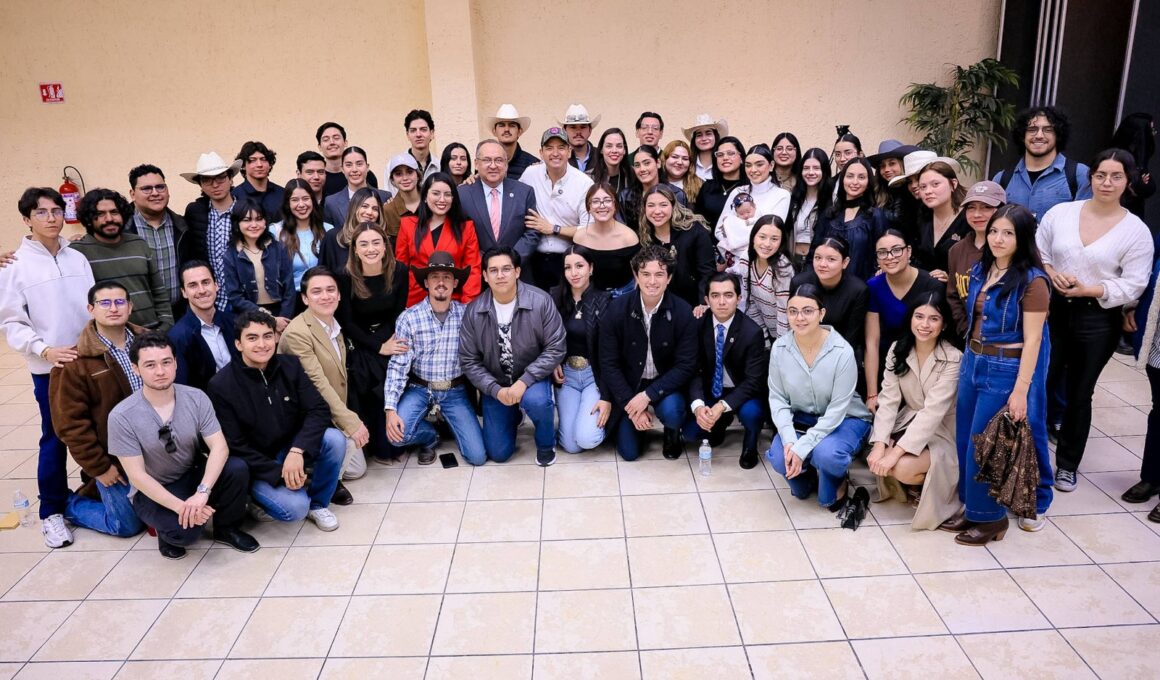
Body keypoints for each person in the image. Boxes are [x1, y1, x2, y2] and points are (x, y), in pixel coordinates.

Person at [1039, 149, 1153, 492]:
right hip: (1052, 309)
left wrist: (1090, 289)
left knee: (1080, 392)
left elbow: (1135, 283)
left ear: (1128, 181)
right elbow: (1039, 252)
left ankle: (1067, 465)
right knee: (1039, 382)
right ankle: (1028, 454)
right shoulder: (1061, 213)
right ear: (1091, 178)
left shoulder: (1136, 231)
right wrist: (1051, 274)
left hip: (1098, 317)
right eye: (1101, 175)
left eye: (1116, 176)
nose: (1107, 182)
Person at [950, 204, 1053, 542]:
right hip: (973, 360)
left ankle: (991, 520)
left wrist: (1021, 390)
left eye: (1008, 233)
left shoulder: (1033, 281)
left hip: (1004, 367)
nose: (997, 238)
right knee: (966, 439)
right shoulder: (982, 269)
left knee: (986, 445)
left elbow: (1034, 340)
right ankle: (971, 507)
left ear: (1022, 238)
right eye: (994, 231)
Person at [0, 188, 95, 548]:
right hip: (50, 368)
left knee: (97, 430)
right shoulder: (14, 266)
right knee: (55, 437)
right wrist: (45, 350)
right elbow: (11, 322)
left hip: (88, 361)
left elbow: (93, 306)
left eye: (57, 210)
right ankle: (51, 512)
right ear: (27, 219)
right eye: (41, 212)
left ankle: (94, 493)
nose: (52, 218)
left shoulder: (77, 258)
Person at [111, 332, 258, 559]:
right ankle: (165, 532)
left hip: (191, 474)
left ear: (176, 364)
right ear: (135, 368)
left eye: (166, 362)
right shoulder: (122, 416)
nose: (160, 371)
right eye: (150, 365)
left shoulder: (196, 397)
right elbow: (137, 476)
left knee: (236, 468)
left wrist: (202, 493)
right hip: (153, 488)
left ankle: (226, 528)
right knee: (186, 533)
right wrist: (182, 508)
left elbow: (219, 447)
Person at [207, 310, 345, 531]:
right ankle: (255, 498)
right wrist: (280, 473)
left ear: (276, 338)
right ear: (238, 344)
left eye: (267, 336)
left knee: (335, 439)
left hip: (291, 449)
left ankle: (318, 504)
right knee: (295, 509)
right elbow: (235, 445)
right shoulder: (221, 385)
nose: (262, 344)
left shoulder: (290, 366)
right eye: (252, 338)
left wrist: (297, 450)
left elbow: (319, 410)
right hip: (258, 465)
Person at [47, 281, 146, 539]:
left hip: (154, 451)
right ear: (91, 309)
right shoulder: (74, 363)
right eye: (105, 303)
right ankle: (70, 504)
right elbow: (70, 425)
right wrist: (100, 468)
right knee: (127, 525)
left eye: (120, 302)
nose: (113, 308)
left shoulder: (150, 344)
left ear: (130, 307)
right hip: (114, 460)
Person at [768, 284, 873, 511]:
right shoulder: (779, 348)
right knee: (779, 458)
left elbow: (837, 409)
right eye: (793, 311)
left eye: (808, 311)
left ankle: (836, 475)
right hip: (803, 418)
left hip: (845, 418)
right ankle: (808, 473)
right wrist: (790, 441)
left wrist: (802, 447)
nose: (800, 318)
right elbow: (777, 399)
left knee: (827, 459)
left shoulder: (842, 351)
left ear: (821, 313)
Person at [460, 247, 566, 466]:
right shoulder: (474, 311)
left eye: (506, 269)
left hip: (532, 378)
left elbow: (556, 347)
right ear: (485, 276)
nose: (500, 275)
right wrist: (494, 389)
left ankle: (546, 444)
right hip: (496, 383)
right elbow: (469, 360)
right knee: (498, 453)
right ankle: (513, 414)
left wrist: (524, 381)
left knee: (538, 401)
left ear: (517, 271)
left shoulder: (541, 301)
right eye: (494, 270)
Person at [867, 291, 962, 529]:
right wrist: (880, 445)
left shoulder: (954, 358)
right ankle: (913, 480)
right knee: (878, 453)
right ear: (910, 319)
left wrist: (894, 454)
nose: (924, 325)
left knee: (901, 466)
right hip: (908, 419)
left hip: (941, 429)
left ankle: (924, 484)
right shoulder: (897, 349)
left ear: (944, 324)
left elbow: (932, 413)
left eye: (933, 319)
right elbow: (888, 400)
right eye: (919, 316)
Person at [384, 251, 486, 466]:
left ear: (455, 283)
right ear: (426, 283)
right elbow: (398, 366)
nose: (441, 282)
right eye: (435, 277)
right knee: (396, 436)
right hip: (420, 388)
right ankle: (431, 436)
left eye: (447, 277)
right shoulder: (409, 318)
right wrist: (390, 409)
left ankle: (451, 423)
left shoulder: (467, 315)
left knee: (477, 456)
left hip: (454, 390)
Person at [599, 245, 697, 461]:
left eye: (659, 274)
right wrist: (631, 405)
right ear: (636, 276)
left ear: (669, 278)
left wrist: (647, 396)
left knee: (673, 411)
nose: (652, 281)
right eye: (645, 274)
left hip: (665, 383)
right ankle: (638, 424)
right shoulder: (616, 310)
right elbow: (608, 363)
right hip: (630, 383)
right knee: (629, 453)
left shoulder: (683, 311)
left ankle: (672, 432)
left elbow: (686, 365)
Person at [278, 267, 363, 498]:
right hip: (306, 417)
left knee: (357, 468)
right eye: (316, 292)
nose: (325, 296)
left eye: (330, 290)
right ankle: (321, 479)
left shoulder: (333, 325)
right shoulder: (297, 333)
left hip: (330, 410)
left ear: (339, 295)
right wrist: (349, 421)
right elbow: (317, 382)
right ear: (305, 298)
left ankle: (317, 466)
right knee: (347, 444)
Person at [336, 224, 410, 465]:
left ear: (385, 246)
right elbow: (346, 322)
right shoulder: (345, 276)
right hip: (359, 340)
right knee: (370, 376)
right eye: (364, 244)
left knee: (395, 368)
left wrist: (388, 344)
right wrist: (378, 347)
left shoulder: (399, 270)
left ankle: (395, 440)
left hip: (389, 333)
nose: (371, 249)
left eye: (376, 242)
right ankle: (377, 447)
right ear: (355, 250)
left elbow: (398, 313)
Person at [684, 272, 768, 469]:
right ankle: (720, 424)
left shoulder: (752, 332)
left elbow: (753, 381)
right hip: (712, 390)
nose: (722, 302)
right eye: (715, 296)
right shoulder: (698, 324)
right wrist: (699, 407)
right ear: (707, 300)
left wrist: (721, 406)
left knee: (752, 413)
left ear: (739, 298)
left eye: (728, 295)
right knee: (691, 433)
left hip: (743, 391)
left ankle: (750, 443)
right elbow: (693, 369)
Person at [72, 188, 174, 330]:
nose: (109, 219)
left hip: (152, 333)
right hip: (110, 337)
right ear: (88, 218)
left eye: (114, 212)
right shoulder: (78, 253)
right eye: (100, 214)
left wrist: (165, 326)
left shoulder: (139, 244)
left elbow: (159, 291)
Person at [864, 230, 944, 411]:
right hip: (886, 365)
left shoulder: (931, 284)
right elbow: (872, 342)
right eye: (882, 252)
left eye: (896, 250)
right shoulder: (873, 286)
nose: (889, 257)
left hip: (922, 367)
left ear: (908, 251)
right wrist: (872, 394)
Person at [550, 247, 611, 454]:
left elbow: (610, 351)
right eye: (568, 267)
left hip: (593, 375)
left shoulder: (604, 300)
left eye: (579, 266)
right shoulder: (554, 298)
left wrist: (607, 395)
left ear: (591, 268)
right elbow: (545, 338)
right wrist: (553, 362)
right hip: (566, 376)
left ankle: (603, 422)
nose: (573, 273)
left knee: (586, 438)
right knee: (571, 446)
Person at [520, 128, 594, 289]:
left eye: (561, 147)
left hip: (568, 260)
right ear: (541, 153)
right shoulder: (530, 174)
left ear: (569, 151)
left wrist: (553, 228)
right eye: (549, 148)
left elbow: (589, 229)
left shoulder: (584, 183)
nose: (555, 153)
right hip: (533, 259)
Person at [396, 173, 482, 306]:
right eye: (436, 193)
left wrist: (468, 307)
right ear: (425, 197)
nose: (442, 199)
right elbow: (400, 269)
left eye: (447, 194)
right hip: (415, 302)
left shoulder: (465, 228)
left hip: (453, 302)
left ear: (453, 198)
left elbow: (473, 271)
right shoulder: (408, 225)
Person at [993, 106, 1092, 220]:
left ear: (1058, 135)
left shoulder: (1080, 175)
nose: (1039, 136)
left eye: (1048, 130)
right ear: (1022, 136)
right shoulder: (1002, 179)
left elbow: (1087, 221)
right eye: (1032, 130)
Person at [459, 139, 538, 274]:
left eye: (499, 160)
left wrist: (511, 261)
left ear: (506, 164)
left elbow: (533, 231)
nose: (493, 165)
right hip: (477, 272)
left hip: (516, 272)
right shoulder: (462, 194)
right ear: (476, 164)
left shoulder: (524, 192)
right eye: (487, 160)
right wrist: (486, 262)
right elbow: (458, 234)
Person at [125, 164, 196, 312]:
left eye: (160, 187)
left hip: (180, 312)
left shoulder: (183, 226)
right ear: (132, 194)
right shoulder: (122, 229)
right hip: (140, 316)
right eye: (146, 188)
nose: (155, 193)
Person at [220, 198, 295, 331]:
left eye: (259, 219)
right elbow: (235, 296)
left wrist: (283, 321)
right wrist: (270, 320)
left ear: (265, 222)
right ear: (237, 224)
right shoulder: (230, 255)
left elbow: (289, 289)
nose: (254, 225)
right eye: (247, 220)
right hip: (249, 315)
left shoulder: (279, 248)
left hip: (282, 315)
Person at [791, 237, 869, 361]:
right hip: (804, 349)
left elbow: (852, 336)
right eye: (818, 258)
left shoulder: (858, 290)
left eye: (831, 259)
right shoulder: (799, 282)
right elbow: (795, 324)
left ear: (845, 262)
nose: (822, 264)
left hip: (840, 353)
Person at [811, 157, 889, 282]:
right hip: (826, 285)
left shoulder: (875, 216)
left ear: (869, 182)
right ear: (843, 179)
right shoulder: (829, 214)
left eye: (861, 177)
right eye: (850, 176)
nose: (855, 182)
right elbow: (814, 252)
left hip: (863, 286)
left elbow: (882, 255)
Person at [1124, 249, 1160, 517]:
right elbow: (1147, 275)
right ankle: (1152, 477)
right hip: (1157, 342)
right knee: (1159, 412)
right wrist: (1133, 305)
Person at [182, 151, 241, 310]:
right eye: (207, 180)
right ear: (200, 185)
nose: (215, 185)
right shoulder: (195, 212)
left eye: (221, 178)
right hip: (210, 299)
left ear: (230, 179)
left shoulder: (247, 210)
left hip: (243, 297)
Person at [947, 181, 1006, 337]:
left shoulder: (1011, 248)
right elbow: (953, 295)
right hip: (970, 339)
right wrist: (966, 330)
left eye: (986, 207)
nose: (977, 214)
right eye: (971, 207)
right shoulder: (956, 250)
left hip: (1004, 340)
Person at [640, 185, 715, 308]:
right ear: (644, 209)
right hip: (660, 304)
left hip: (693, 303)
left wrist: (703, 303)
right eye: (651, 205)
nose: (657, 211)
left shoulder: (695, 231)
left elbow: (707, 272)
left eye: (663, 205)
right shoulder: (645, 237)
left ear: (673, 206)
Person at [168, 260, 237, 390]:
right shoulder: (177, 337)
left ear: (216, 285)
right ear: (184, 292)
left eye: (206, 282)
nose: (201, 290)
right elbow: (182, 387)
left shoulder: (234, 323)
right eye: (193, 285)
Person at [728, 215, 796, 343]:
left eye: (774, 239)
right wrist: (763, 339)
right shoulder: (746, 259)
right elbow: (751, 301)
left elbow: (784, 312)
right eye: (762, 237)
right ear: (753, 237)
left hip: (785, 335)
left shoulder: (782, 268)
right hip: (763, 330)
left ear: (781, 242)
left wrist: (779, 346)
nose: (767, 244)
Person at [571, 184, 640, 297]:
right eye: (595, 201)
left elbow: (638, 275)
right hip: (589, 296)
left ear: (615, 205)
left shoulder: (629, 237)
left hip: (623, 295)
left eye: (607, 200)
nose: (602, 206)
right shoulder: (580, 236)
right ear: (589, 208)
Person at [270, 178, 331, 291]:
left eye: (306, 198)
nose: (301, 204)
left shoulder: (328, 230)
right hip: (290, 296)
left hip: (322, 295)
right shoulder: (275, 232)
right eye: (295, 200)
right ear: (287, 203)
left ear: (312, 200)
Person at [914, 160, 969, 281]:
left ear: (953, 184)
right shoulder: (922, 216)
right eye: (923, 187)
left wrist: (951, 278)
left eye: (935, 184)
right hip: (925, 287)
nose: (928, 191)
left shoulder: (968, 218)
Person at [319, 188, 388, 274]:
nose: (369, 212)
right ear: (354, 208)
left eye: (375, 209)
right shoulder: (333, 237)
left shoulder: (384, 240)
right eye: (364, 206)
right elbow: (322, 273)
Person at [619, 145, 686, 230]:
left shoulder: (677, 194)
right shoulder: (625, 196)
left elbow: (681, 228)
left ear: (658, 163)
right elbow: (622, 229)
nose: (642, 169)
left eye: (647, 163)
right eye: (637, 165)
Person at [322, 147, 392, 228]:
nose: (354, 169)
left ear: (367, 167)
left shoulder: (385, 197)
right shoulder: (331, 202)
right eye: (348, 165)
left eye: (359, 164)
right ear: (342, 169)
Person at [786, 148, 833, 260]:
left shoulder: (832, 200)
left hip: (818, 261)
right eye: (806, 168)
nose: (810, 172)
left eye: (816, 168)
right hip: (793, 259)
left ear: (824, 170)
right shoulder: (792, 199)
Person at [1110, 112, 1156, 219]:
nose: (1153, 135)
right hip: (1118, 213)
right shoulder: (1118, 160)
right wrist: (1136, 184)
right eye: (1150, 131)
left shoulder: (1137, 159)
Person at [694, 136, 747, 229]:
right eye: (720, 154)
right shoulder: (707, 187)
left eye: (730, 153)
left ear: (741, 158)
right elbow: (697, 221)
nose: (725, 158)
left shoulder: (749, 187)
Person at [316, 122, 379, 197]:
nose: (332, 142)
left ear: (345, 143)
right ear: (319, 147)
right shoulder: (317, 178)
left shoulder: (364, 175)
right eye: (326, 139)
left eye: (336, 138)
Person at [386, 109, 440, 192]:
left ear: (432, 133)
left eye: (423, 129)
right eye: (413, 130)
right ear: (407, 135)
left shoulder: (440, 166)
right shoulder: (392, 166)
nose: (418, 134)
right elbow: (391, 196)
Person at [232, 141, 284, 220]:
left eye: (263, 159)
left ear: (270, 164)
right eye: (253, 160)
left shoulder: (282, 194)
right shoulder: (235, 196)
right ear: (243, 165)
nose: (259, 164)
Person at [487, 104, 540, 180]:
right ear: (494, 131)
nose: (506, 129)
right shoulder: (485, 163)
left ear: (519, 131)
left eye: (512, 125)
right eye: (501, 125)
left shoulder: (533, 165)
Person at [382, 153, 424, 237]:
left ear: (418, 175)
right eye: (398, 174)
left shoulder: (431, 202)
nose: (405, 178)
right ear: (392, 180)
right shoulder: (388, 210)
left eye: (410, 172)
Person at [716, 192, 757, 268]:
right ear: (736, 213)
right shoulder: (734, 219)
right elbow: (731, 231)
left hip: (750, 248)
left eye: (748, 212)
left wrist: (750, 221)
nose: (746, 215)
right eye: (741, 214)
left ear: (754, 207)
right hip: (736, 250)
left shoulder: (757, 217)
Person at [683, 114, 728, 181]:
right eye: (699, 135)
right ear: (694, 139)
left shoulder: (725, 163)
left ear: (715, 136)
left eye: (708, 133)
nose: (704, 138)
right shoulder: (687, 164)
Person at [587, 128, 630, 195]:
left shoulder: (632, 176)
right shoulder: (588, 178)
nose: (614, 151)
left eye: (619, 146)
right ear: (601, 150)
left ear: (624, 150)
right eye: (609, 146)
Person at [661, 140, 703, 207]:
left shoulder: (700, 186)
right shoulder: (655, 183)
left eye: (685, 159)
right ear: (665, 159)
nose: (680, 162)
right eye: (675, 157)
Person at [561, 104, 600, 173]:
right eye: (573, 127)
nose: (578, 132)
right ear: (564, 130)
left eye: (583, 127)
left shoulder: (601, 157)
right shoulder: (558, 158)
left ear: (590, 130)